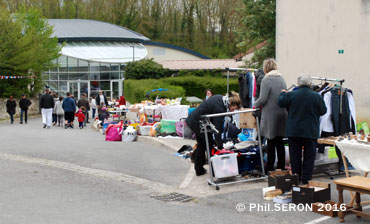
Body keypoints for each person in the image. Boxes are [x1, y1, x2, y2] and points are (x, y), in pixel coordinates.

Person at [278, 75, 327, 184]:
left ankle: (296, 178)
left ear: (299, 83)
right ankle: (306, 180)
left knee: (295, 157)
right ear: (310, 84)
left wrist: (282, 93)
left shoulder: (291, 94)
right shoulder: (316, 96)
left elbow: (280, 103)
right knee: (309, 157)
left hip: (294, 131)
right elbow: (323, 111)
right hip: (310, 131)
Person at [186, 91, 241, 176]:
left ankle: (199, 168)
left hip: (197, 120)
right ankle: (209, 170)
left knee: (203, 144)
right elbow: (217, 129)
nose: (233, 111)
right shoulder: (220, 109)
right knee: (207, 145)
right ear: (231, 104)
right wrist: (220, 146)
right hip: (198, 123)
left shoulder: (220, 98)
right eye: (233, 108)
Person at [254, 58, 288, 172]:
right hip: (282, 113)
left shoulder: (266, 80)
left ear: (266, 68)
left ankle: (269, 167)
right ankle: (281, 166)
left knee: (271, 142)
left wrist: (254, 105)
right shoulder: (282, 78)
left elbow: (262, 99)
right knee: (280, 142)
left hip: (271, 114)